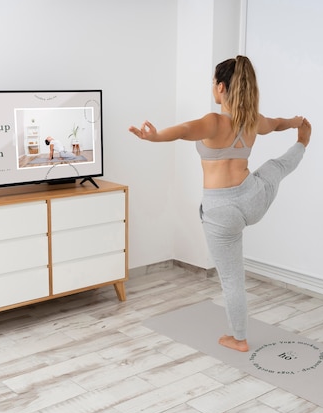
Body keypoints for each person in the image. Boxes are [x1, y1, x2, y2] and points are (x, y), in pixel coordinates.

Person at [129, 55, 312, 352]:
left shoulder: (213, 122)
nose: (212, 88)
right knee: (275, 168)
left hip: (221, 211)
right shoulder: (254, 121)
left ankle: (238, 339)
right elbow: (277, 124)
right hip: (253, 198)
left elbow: (185, 130)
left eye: (214, 83)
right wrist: (296, 124)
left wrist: (155, 137)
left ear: (222, 87)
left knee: (231, 278)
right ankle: (303, 143)